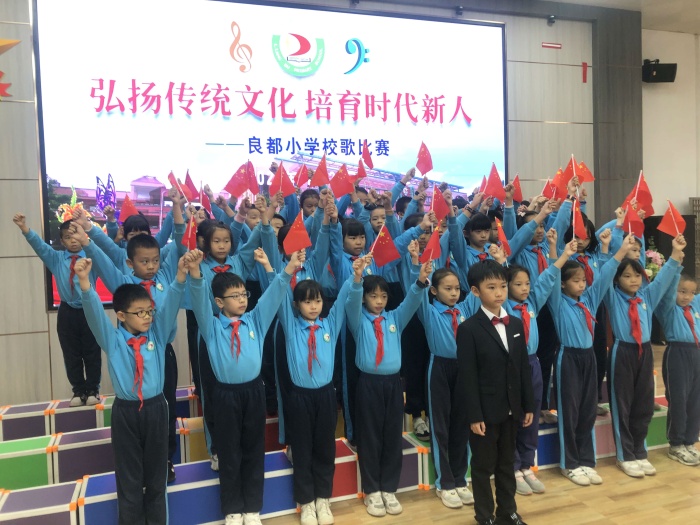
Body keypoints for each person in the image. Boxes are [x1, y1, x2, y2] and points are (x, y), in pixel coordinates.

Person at [189, 246, 302, 525]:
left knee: (253, 450)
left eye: (244, 294)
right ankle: (232, 509)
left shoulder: (255, 321)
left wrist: (288, 268)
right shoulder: (211, 327)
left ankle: (252, 508)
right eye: (235, 296)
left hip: (253, 393)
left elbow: (273, 295)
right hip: (225, 395)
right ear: (219, 302)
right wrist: (195, 273)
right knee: (229, 453)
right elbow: (199, 300)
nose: (242, 300)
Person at [75, 252, 187, 524]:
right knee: (129, 477)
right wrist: (85, 283)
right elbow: (94, 315)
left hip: (156, 409)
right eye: (140, 313)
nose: (147, 317)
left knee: (157, 475)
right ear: (121, 315)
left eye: (149, 311)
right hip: (126, 412)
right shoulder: (112, 340)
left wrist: (181, 276)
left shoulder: (157, 334)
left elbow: (171, 303)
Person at [346, 253, 430, 518]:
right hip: (369, 384)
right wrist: (357, 278)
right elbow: (351, 301)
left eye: (383, 296)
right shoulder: (358, 320)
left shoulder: (394, 319)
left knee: (392, 435)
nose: (379, 301)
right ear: (364, 298)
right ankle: (372, 490)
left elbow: (411, 301)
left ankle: (389, 488)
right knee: (370, 436)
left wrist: (420, 281)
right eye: (373, 296)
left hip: (393, 384)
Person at [547, 232, 634, 486]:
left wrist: (620, 250)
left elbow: (605, 275)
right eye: (575, 281)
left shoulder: (589, 299)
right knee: (570, 411)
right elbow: (552, 275)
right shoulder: (557, 301)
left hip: (589, 358)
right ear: (564, 285)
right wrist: (556, 250)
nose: (581, 285)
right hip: (568, 357)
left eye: (583, 280)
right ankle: (569, 463)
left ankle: (586, 460)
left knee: (587, 410)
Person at [455, 260, 534, 525]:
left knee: (507, 463)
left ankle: (508, 511)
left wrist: (528, 404)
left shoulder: (515, 324)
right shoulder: (468, 329)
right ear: (475, 291)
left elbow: (522, 367)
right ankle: (485, 515)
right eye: (491, 287)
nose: (499, 292)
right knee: (482, 466)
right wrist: (474, 415)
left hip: (511, 408)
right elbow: (467, 376)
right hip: (485, 412)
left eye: (502, 286)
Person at [276, 261, 355, 525]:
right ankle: (307, 502)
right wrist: (279, 269)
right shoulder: (291, 326)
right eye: (307, 302)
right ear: (296, 305)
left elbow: (343, 298)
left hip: (325, 396)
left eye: (318, 301)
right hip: (300, 398)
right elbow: (279, 294)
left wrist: (355, 276)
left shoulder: (329, 325)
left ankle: (323, 498)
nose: (313, 306)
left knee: (324, 448)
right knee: (302, 449)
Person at [604, 234, 684, 478]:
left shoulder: (646, 296)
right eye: (627, 276)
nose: (633, 280)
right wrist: (616, 250)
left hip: (645, 352)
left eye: (637, 275)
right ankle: (625, 455)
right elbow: (605, 274)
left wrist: (675, 254)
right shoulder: (612, 296)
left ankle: (640, 451)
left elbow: (664, 279)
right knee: (623, 405)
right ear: (617, 279)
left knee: (644, 404)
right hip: (622, 352)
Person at [506, 233, 578, 496]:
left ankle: (527, 465)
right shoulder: (503, 306)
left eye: (527, 283)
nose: (524, 288)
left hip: (533, 364)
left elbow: (548, 278)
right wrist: (501, 263)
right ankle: (513, 467)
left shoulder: (532, 303)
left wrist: (564, 255)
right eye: (518, 284)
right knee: (513, 416)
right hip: (511, 366)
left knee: (532, 414)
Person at [13, 214, 102, 407]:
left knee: (92, 353)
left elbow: (108, 251)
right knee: (71, 354)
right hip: (67, 312)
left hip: (90, 311)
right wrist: (24, 228)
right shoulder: (56, 259)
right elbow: (40, 246)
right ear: (62, 241)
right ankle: (78, 391)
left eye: (76, 235)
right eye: (68, 237)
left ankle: (93, 390)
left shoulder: (92, 257)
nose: (73, 240)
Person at [657, 270, 700, 466]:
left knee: (695, 400)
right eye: (682, 291)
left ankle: (690, 441)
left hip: (696, 354)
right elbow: (667, 291)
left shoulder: (694, 305)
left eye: (691, 293)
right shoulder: (668, 308)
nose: (686, 296)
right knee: (678, 400)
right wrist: (675, 268)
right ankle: (676, 444)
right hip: (677, 353)